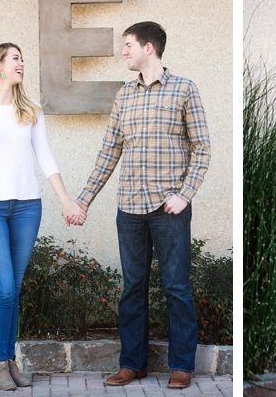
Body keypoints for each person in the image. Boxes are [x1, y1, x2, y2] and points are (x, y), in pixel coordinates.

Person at [72, 22, 210, 388]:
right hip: (129, 209)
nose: (124, 52)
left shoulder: (184, 89)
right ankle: (132, 364)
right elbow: (109, 152)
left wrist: (185, 194)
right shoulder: (124, 96)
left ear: (149, 48)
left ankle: (182, 366)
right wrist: (84, 199)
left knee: (176, 288)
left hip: (168, 209)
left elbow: (202, 149)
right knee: (132, 288)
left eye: (128, 45)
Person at [0, 44, 85, 391]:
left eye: (22, 59)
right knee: (4, 288)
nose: (22, 63)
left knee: (14, 289)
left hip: (28, 207)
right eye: (15, 58)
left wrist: (66, 200)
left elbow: (45, 156)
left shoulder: (30, 109)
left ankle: (10, 360)